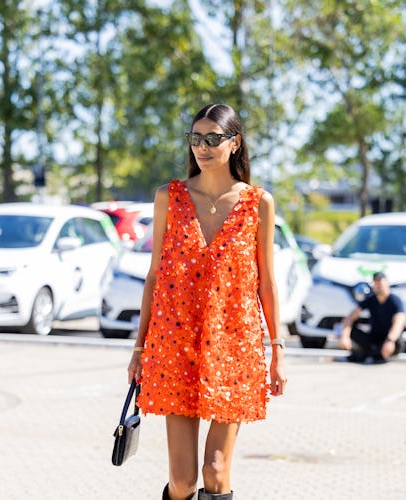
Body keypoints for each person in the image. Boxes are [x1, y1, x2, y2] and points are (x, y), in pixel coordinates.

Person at [128, 103, 287, 500]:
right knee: (182, 482)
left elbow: (265, 281)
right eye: (196, 138)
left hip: (234, 347)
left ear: (235, 143)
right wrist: (138, 347)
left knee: (215, 471)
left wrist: (277, 350)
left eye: (213, 139)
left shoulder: (258, 203)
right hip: (174, 347)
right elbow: (154, 276)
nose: (202, 146)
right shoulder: (170, 197)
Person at [339, 272, 405, 363]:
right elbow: (350, 317)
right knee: (352, 329)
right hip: (374, 338)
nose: (378, 285)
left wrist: (390, 340)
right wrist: (344, 336)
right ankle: (370, 353)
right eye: (376, 283)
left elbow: (399, 322)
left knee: (395, 342)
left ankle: (371, 354)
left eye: (380, 282)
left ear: (387, 283)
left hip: (390, 339)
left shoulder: (394, 300)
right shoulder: (371, 299)